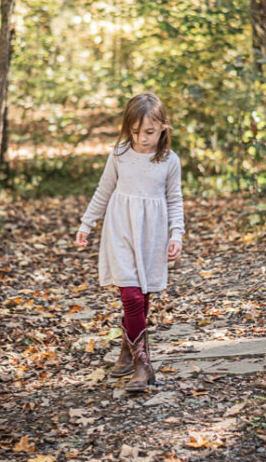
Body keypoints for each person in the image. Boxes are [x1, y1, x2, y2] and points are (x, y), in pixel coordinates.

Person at [76, 92, 185, 391]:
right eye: (134, 132)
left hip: (152, 235)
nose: (141, 138)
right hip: (120, 231)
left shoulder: (169, 160)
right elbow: (103, 190)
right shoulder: (120, 154)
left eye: (148, 132)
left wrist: (177, 234)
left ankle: (126, 349)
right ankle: (142, 363)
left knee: (144, 295)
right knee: (132, 297)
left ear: (163, 126)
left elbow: (174, 199)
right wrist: (87, 223)